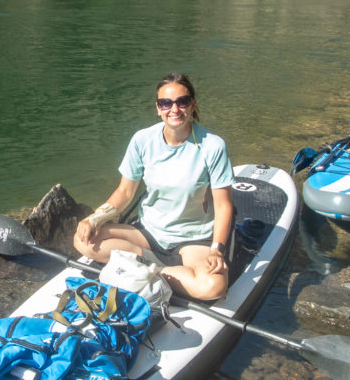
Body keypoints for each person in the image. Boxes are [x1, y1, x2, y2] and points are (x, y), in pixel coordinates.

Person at [74, 73, 234, 301]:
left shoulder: (213, 146)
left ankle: (146, 270)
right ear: (158, 108)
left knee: (213, 288)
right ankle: (154, 267)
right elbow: (124, 192)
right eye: (166, 103)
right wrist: (94, 219)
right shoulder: (142, 140)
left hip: (193, 239)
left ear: (192, 104)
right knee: (83, 240)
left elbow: (223, 205)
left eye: (182, 101)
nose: (174, 109)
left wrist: (217, 249)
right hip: (148, 234)